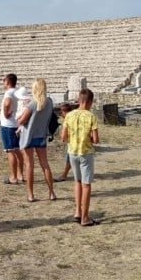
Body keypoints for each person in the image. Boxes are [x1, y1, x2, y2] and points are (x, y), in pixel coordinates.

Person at [62, 88, 100, 226]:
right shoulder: (91, 116)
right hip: (86, 153)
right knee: (86, 184)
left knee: (77, 181)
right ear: (90, 102)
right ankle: (85, 217)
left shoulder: (69, 115)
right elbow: (96, 139)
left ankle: (78, 211)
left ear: (79, 100)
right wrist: (88, 137)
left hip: (73, 152)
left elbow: (63, 136)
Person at [17, 78, 56, 202]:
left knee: (29, 165)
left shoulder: (32, 104)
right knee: (45, 164)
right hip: (41, 135)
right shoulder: (49, 102)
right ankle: (51, 193)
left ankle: (31, 195)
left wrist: (20, 116)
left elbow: (22, 120)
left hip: (28, 136)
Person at [0, 73, 24, 184]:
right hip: (15, 124)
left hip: (8, 125)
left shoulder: (9, 92)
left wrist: (5, 114)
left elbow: (7, 103)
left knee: (10, 151)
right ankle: (20, 175)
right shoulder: (17, 92)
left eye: (4, 81)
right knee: (18, 150)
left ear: (8, 82)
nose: (3, 82)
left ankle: (13, 177)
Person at [53, 103, 75, 182]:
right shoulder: (74, 117)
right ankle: (65, 174)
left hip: (72, 142)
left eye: (61, 112)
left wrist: (63, 138)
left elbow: (64, 135)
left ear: (63, 112)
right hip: (75, 142)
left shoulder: (68, 118)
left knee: (70, 159)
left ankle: (64, 175)